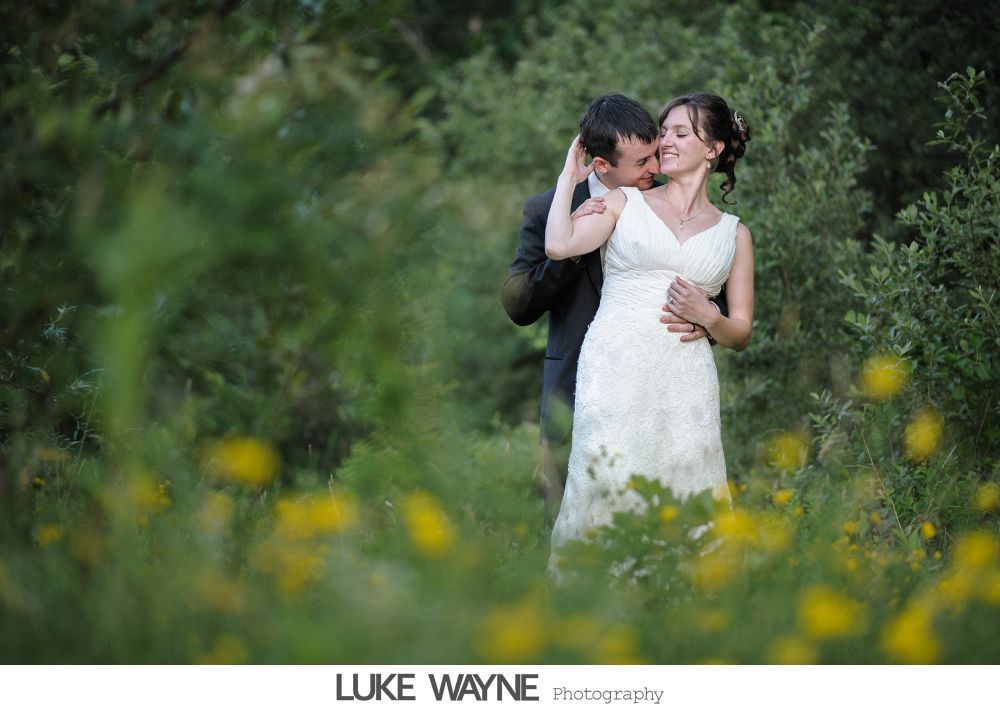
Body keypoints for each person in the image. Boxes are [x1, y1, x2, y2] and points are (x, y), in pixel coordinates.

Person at [544, 92, 753, 569]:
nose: (667, 141)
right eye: (665, 131)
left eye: (681, 132)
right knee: (608, 483)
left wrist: (710, 317)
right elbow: (558, 246)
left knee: (688, 490)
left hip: (686, 377)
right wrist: (568, 179)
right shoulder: (623, 202)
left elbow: (741, 332)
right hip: (614, 366)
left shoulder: (735, 235)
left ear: (714, 148)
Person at [501, 94, 717, 519]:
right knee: (573, 527)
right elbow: (518, 304)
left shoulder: (670, 203)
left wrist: (707, 320)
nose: (656, 167)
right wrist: (574, 245)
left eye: (655, 153)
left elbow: (710, 278)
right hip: (573, 392)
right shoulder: (548, 209)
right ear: (601, 164)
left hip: (658, 392)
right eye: (642, 162)